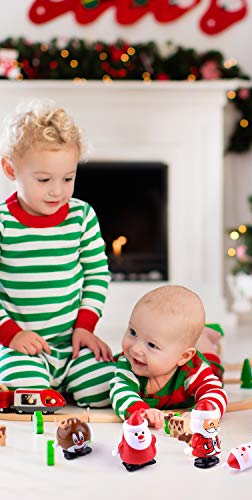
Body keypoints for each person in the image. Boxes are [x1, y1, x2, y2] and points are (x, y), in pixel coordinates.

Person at [0, 100, 114, 406]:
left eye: (68, 178)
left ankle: (65, 383)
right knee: (26, 390)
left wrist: (85, 327)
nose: (57, 191)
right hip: (19, 344)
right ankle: (37, 387)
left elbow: (97, 274)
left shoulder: (82, 216)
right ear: (11, 168)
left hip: (71, 344)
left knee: (107, 386)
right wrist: (11, 334)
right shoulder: (3, 223)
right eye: (44, 180)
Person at [110, 285, 227, 428]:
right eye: (133, 332)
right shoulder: (128, 362)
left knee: (214, 366)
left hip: (203, 362)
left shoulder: (193, 369)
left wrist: (201, 413)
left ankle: (205, 335)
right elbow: (120, 392)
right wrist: (141, 411)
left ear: (183, 357)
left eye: (152, 345)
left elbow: (216, 392)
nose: (135, 349)